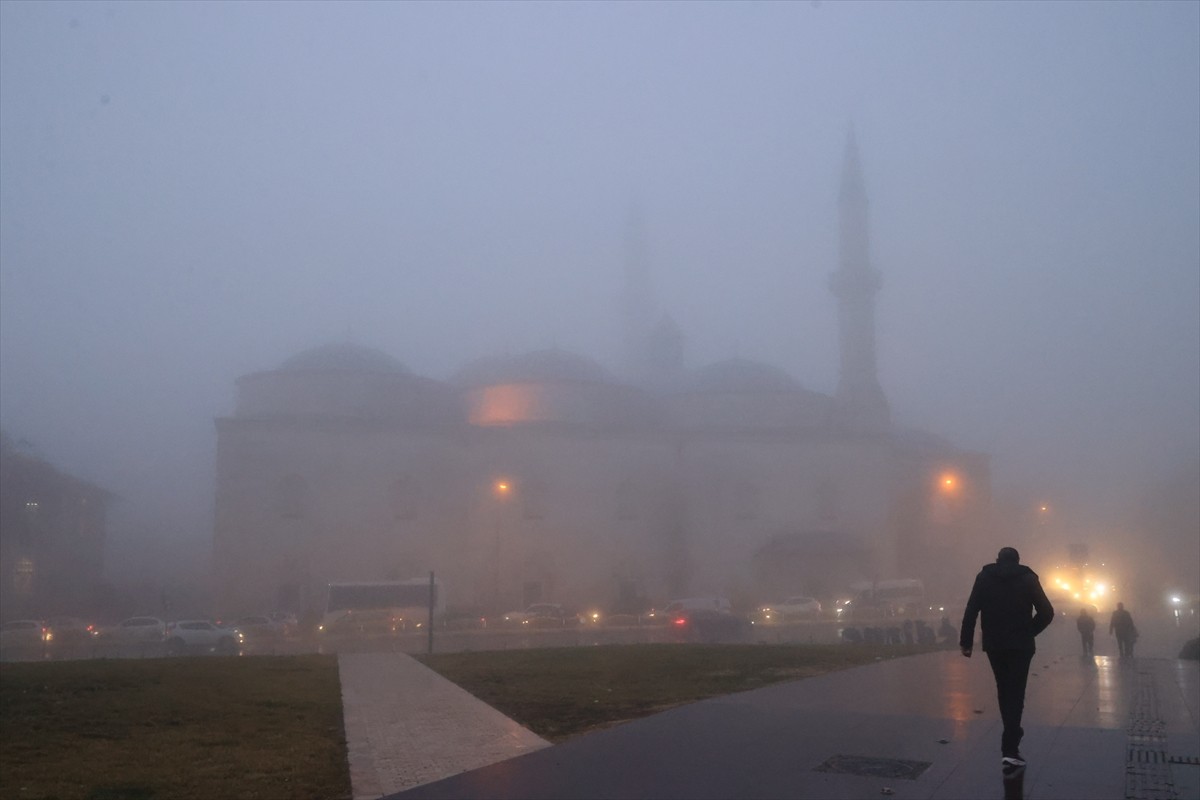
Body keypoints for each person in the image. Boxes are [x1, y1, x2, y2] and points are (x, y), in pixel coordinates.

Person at [960, 547, 1055, 770]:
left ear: (998, 560)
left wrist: (966, 642)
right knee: (1016, 691)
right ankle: (1010, 746)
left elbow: (971, 610)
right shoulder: (1028, 578)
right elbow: (1047, 612)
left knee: (1003, 689)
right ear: (1017, 560)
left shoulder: (984, 577)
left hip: (995, 645)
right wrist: (1029, 631)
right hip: (1021, 646)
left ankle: (1011, 738)